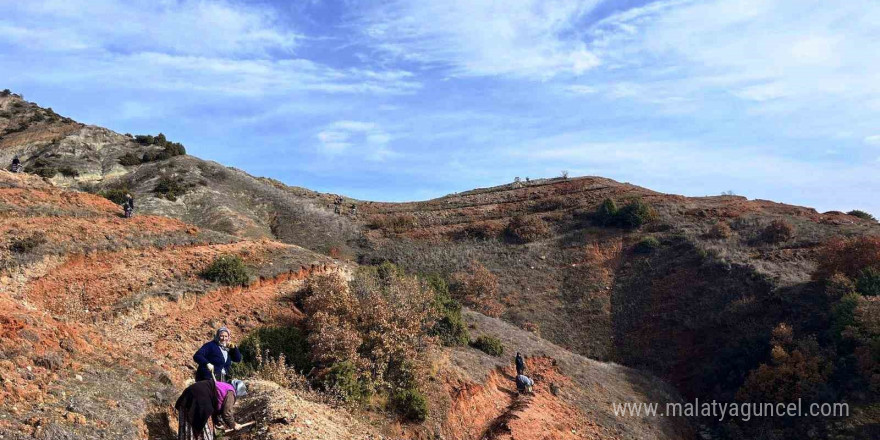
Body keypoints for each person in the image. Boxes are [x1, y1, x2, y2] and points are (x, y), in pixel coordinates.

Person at [175, 376, 247, 439]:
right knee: (202, 428)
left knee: (188, 424)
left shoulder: (224, 386)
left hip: (188, 394)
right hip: (200, 400)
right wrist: (234, 425)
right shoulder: (231, 393)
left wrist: (216, 421)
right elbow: (227, 413)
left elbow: (215, 402)